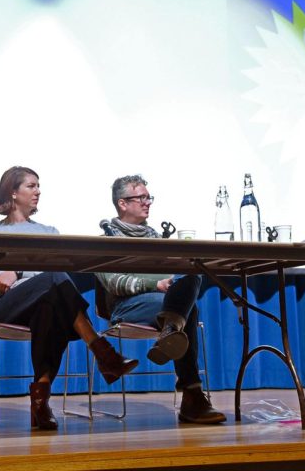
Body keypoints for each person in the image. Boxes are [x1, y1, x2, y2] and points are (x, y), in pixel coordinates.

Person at [0, 166, 138, 430]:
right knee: (55, 279)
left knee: (51, 307)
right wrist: (22, 271)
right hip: (8, 306)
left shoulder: (49, 231)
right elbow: (0, 284)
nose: (38, 191)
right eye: (31, 186)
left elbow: (48, 271)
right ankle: (102, 352)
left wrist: (18, 269)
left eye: (38, 186)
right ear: (13, 192)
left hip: (45, 303)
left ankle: (40, 403)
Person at [96, 175, 226, 424]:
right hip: (128, 308)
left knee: (193, 271)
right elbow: (115, 283)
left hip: (162, 305)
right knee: (186, 311)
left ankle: (170, 329)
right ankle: (192, 397)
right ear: (123, 203)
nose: (148, 203)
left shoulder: (158, 239)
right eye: (141, 198)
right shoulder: (107, 241)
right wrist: (155, 284)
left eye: (149, 197)